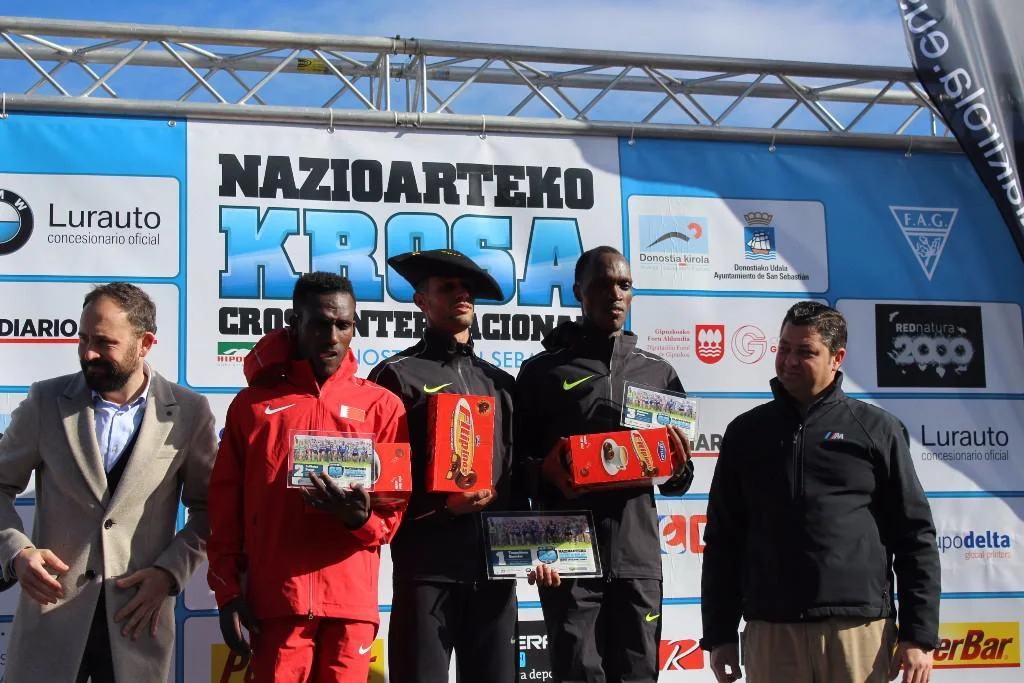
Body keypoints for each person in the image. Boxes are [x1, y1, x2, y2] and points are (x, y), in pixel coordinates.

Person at [700, 301, 940, 683]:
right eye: (784, 348)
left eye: (805, 352)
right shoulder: (745, 433)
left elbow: (915, 537)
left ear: (836, 358)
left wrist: (918, 635)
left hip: (858, 631)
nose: (789, 361)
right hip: (771, 632)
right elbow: (723, 540)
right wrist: (719, 634)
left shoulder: (877, 429)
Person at [0, 282, 217, 682]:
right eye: (83, 339)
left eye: (104, 342)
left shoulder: (189, 413)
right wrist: (18, 552)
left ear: (145, 343)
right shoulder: (46, 401)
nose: (88, 353)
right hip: (51, 621)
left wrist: (170, 573)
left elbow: (211, 510)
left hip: (136, 621)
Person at [207, 272, 409, 683]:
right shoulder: (252, 406)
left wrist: (359, 519)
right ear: (294, 322)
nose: (332, 337)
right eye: (320, 324)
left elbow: (392, 514)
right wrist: (227, 593)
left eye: (343, 325)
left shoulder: (383, 407)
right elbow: (225, 511)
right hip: (277, 604)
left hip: (350, 606)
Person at [514, 245, 694, 683]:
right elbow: (513, 469)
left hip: (637, 560)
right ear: (578, 291)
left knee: (638, 675)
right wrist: (545, 473)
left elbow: (677, 482)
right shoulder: (542, 372)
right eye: (603, 284)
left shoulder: (658, 373)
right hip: (567, 559)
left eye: (624, 285)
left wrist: (677, 465)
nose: (615, 294)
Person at [367, 249, 518, 683]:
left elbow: (516, 477)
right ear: (421, 300)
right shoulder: (394, 375)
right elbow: (381, 483)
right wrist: (444, 508)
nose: (461, 295)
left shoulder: (502, 384)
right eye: (447, 287)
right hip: (426, 571)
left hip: (494, 574)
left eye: (466, 288)